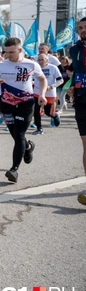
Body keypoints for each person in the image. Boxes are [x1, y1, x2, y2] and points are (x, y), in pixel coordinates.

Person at [0, 37, 47, 183]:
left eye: (12, 52)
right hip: (6, 104)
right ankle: (28, 146)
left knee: (19, 134)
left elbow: (42, 79)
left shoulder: (31, 64)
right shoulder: (1, 66)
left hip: (25, 104)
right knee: (15, 135)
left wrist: (42, 94)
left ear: (20, 50)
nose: (8, 54)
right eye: (6, 52)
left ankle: (14, 169)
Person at [68, 17, 86, 205]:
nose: (82, 31)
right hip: (82, 99)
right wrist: (73, 86)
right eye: (80, 28)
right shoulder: (75, 50)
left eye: (85, 28)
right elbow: (76, 72)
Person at [31, 53, 63, 134]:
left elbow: (60, 80)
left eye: (42, 60)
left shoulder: (53, 68)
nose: (40, 61)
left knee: (49, 112)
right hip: (37, 92)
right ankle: (39, 128)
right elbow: (32, 79)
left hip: (50, 93)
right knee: (36, 111)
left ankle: (55, 115)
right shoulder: (35, 68)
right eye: (39, 60)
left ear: (47, 60)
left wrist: (51, 86)